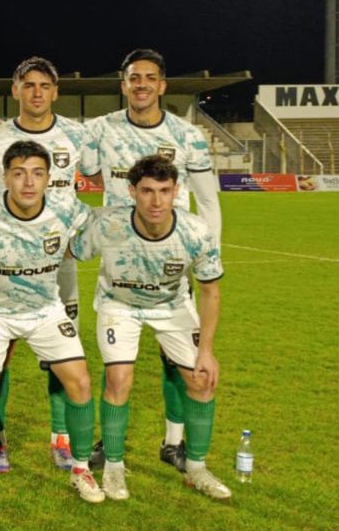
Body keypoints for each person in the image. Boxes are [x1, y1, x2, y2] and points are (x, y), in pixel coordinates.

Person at [80, 48, 222, 472]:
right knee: (116, 360)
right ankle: (110, 442)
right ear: (123, 84)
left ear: (162, 85)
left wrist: (207, 254)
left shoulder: (187, 135)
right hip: (120, 258)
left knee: (176, 356)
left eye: (149, 78)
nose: (141, 85)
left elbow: (208, 201)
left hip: (172, 259)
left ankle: (174, 442)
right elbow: (81, 169)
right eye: (134, 77)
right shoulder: (100, 129)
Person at [0, 140, 102, 505]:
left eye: (37, 174)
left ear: (48, 178)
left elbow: (104, 227)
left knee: (80, 382)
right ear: (4, 177)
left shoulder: (66, 209)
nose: (28, 182)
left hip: (44, 310)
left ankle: (81, 469)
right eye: (19, 173)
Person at [69, 155, 229, 500]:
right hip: (119, 305)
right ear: (132, 191)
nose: (156, 201)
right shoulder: (108, 225)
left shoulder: (195, 232)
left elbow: (210, 292)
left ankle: (196, 468)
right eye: (147, 191)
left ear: (176, 191)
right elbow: (70, 251)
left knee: (202, 380)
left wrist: (206, 351)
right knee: (118, 380)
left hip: (171, 306)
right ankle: (113, 468)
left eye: (164, 191)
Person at [0, 56, 87, 472]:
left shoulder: (78, 135)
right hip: (4, 264)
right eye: (29, 85)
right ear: (15, 90)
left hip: (59, 260)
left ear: (56, 92)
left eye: (44, 86)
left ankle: (61, 437)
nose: (37, 93)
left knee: (62, 352)